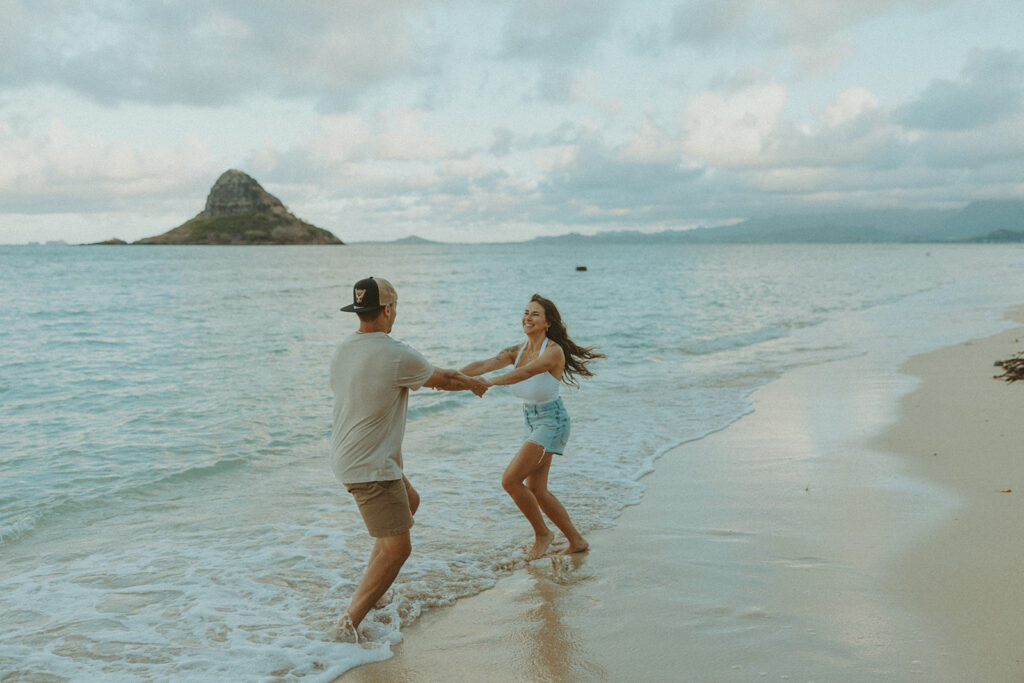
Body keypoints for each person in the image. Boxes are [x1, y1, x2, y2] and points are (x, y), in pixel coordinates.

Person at [329, 276, 488, 641]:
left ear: (359, 311)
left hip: (352, 455)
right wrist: (476, 384)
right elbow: (443, 379)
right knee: (398, 548)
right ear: (387, 310)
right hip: (370, 464)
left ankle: (378, 588)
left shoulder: (344, 349)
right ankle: (347, 624)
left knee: (410, 501)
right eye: (393, 308)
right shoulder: (395, 352)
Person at [461, 294, 604, 561]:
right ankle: (576, 540)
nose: (528, 317)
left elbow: (525, 373)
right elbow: (483, 364)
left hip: (552, 421)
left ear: (548, 322)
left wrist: (488, 384)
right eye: (526, 312)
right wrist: (448, 377)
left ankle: (543, 535)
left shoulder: (553, 352)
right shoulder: (516, 351)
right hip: (530, 420)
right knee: (536, 489)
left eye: (535, 314)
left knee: (510, 480)